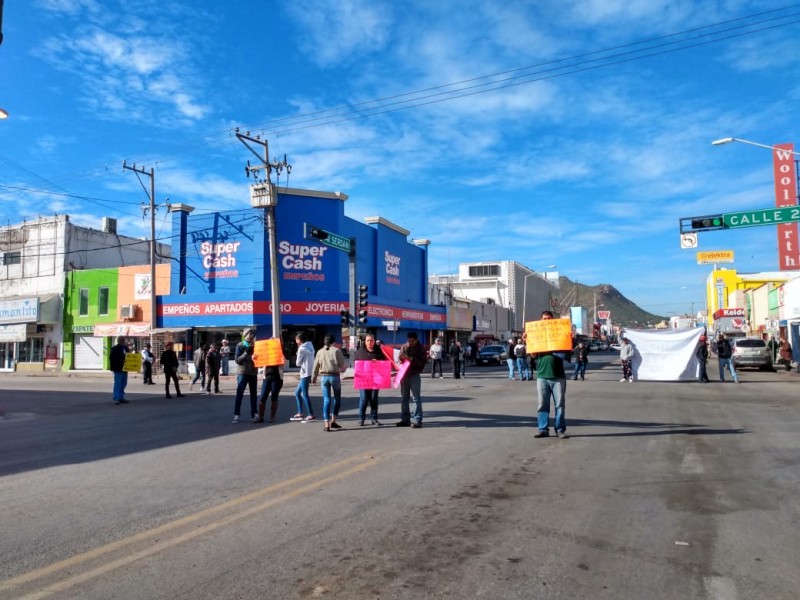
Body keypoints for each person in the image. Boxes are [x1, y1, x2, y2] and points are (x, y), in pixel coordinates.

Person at [533, 311, 568, 439]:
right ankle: (543, 429)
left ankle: (560, 429)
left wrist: (569, 337)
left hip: (558, 376)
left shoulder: (559, 334)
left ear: (553, 320)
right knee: (542, 404)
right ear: (541, 320)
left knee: (559, 405)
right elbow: (533, 355)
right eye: (544, 319)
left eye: (549, 319)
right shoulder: (537, 335)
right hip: (542, 376)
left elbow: (568, 351)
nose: (546, 321)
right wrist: (528, 341)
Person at [311, 335, 347, 432]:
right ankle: (333, 420)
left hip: (324, 377)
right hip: (334, 376)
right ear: (333, 342)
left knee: (326, 400)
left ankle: (326, 424)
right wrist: (342, 369)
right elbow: (343, 366)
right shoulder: (336, 351)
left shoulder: (319, 352)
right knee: (337, 398)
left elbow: (315, 366)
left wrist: (313, 378)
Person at [354, 333, 387, 426]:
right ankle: (361, 418)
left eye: (371, 340)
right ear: (365, 341)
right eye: (368, 340)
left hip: (375, 379)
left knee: (373, 399)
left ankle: (374, 418)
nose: (369, 342)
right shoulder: (360, 351)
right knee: (364, 399)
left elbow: (385, 363)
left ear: (374, 341)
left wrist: (378, 362)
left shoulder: (379, 351)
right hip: (363, 380)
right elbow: (356, 364)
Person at [397, 331, 428, 428]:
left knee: (416, 398)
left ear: (416, 340)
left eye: (412, 341)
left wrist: (412, 359)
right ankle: (405, 419)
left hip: (414, 374)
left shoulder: (421, 349)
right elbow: (399, 359)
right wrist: (401, 359)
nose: (410, 343)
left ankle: (417, 419)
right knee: (404, 398)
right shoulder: (404, 347)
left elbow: (422, 363)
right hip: (404, 374)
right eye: (408, 341)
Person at [232, 328, 259, 423]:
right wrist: (246, 352)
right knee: (240, 394)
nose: (252, 337)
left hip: (253, 372)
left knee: (254, 395)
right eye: (250, 335)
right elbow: (237, 360)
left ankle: (254, 413)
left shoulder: (256, 346)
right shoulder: (240, 345)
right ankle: (236, 414)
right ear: (246, 335)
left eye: (253, 335)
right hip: (242, 373)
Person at [254, 349, 285, 423]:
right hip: (267, 377)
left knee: (274, 397)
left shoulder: (280, 354)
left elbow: (283, 366)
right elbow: (259, 365)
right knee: (262, 397)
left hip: (277, 378)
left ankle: (272, 417)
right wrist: (254, 359)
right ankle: (260, 417)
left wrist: (282, 359)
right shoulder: (265, 355)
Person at [292, 331, 316, 422]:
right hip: (309, 372)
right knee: (297, 392)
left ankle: (311, 414)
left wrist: (297, 354)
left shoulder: (301, 349)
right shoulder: (311, 346)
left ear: (299, 340)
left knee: (304, 394)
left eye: (296, 339)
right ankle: (300, 413)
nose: (295, 341)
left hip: (304, 373)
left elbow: (298, 363)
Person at [109, 336, 130, 404]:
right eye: (121, 340)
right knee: (118, 384)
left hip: (125, 368)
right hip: (118, 368)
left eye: (123, 340)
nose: (122, 341)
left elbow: (129, 357)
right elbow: (111, 358)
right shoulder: (115, 348)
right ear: (118, 340)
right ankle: (116, 398)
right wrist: (113, 367)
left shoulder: (126, 348)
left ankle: (121, 397)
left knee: (124, 383)